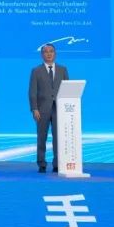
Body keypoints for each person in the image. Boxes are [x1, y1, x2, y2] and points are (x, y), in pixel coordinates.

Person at [28, 43, 68, 173]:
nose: (49, 54)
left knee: (59, 137)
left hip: (59, 110)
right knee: (42, 137)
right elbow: (32, 91)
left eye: (51, 51)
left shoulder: (63, 70)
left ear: (55, 54)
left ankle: (58, 163)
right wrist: (34, 108)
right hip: (42, 109)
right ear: (42, 55)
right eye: (46, 52)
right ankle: (41, 163)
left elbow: (68, 89)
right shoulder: (36, 71)